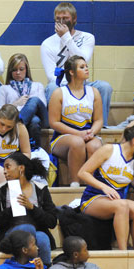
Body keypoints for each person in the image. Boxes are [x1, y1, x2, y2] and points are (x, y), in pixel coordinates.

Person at [40, 2, 112, 127]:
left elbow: (82, 60)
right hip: (61, 84)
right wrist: (70, 88)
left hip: (83, 84)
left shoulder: (87, 37)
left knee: (104, 87)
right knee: (51, 87)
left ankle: (101, 127)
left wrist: (66, 37)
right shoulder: (47, 43)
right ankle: (53, 128)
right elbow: (51, 75)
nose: (61, 22)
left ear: (74, 19)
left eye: (65, 18)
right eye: (58, 19)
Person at [0, 152, 57, 267]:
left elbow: (52, 222)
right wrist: (11, 210)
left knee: (43, 238)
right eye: (4, 168)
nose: (4, 171)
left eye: (8, 167)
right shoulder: (1, 190)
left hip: (37, 234)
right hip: (9, 236)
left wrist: (32, 208)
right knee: (27, 228)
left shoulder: (40, 189)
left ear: (21, 168)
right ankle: (24, 268)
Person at [48, 55, 103, 187]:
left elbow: (99, 120)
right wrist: (78, 134)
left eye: (86, 66)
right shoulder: (59, 93)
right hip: (63, 137)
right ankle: (75, 185)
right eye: (82, 67)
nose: (86, 69)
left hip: (88, 134)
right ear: (71, 72)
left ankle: (93, 186)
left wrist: (91, 132)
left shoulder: (94, 92)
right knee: (77, 142)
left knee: (95, 146)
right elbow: (54, 122)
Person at [0, 53, 48, 146]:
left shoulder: (37, 85)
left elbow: (43, 105)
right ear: (10, 72)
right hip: (18, 118)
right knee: (34, 121)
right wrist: (15, 104)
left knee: (34, 100)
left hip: (41, 118)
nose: (18, 73)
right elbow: (0, 110)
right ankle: (34, 148)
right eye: (14, 70)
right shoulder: (4, 88)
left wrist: (28, 105)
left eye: (21, 69)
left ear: (26, 69)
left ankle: (16, 125)